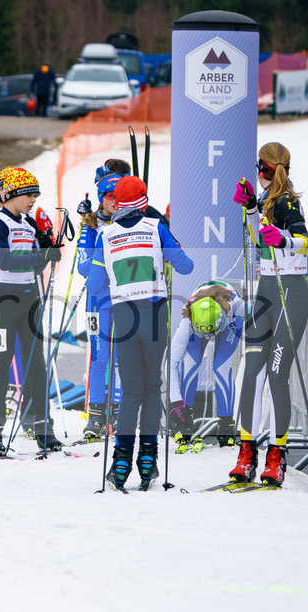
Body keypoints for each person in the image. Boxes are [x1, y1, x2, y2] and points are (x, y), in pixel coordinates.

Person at [86, 175, 193, 491]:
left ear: (117, 203)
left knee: (131, 389)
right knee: (152, 387)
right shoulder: (155, 227)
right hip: (155, 313)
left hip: (124, 316)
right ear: (144, 202)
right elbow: (185, 266)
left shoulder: (105, 235)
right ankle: (148, 460)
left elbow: (94, 284)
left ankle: (121, 463)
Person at [230, 142, 308, 486]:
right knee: (251, 371)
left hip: (290, 292)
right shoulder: (266, 201)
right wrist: (251, 208)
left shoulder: (286, 201)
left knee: (277, 375)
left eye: (258, 167)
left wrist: (283, 239)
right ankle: (246, 452)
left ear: (264, 169)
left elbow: (306, 242)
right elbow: (256, 240)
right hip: (266, 291)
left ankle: (276, 456)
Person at [0, 168, 63, 458]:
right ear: (12, 195)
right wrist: (41, 255)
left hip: (30, 299)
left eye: (36, 195)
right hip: (3, 300)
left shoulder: (28, 224)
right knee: (0, 365)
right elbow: (5, 261)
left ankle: (43, 429)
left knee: (36, 365)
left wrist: (48, 251)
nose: (33, 200)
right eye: (29, 195)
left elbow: (35, 266)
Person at [167, 281, 243, 453]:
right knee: (189, 363)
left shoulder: (237, 306)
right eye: (205, 334)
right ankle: (185, 420)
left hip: (230, 322)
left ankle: (226, 425)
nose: (209, 338)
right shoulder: (189, 318)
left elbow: (261, 317)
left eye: (212, 333)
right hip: (202, 319)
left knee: (221, 367)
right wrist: (176, 403)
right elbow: (171, 362)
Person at [75, 171, 122, 441]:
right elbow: (83, 267)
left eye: (119, 195)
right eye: (109, 196)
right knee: (100, 355)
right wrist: (104, 254)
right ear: (101, 198)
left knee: (120, 357)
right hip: (98, 299)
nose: (114, 201)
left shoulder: (130, 223)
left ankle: (116, 413)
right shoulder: (91, 226)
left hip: (123, 297)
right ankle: (95, 415)